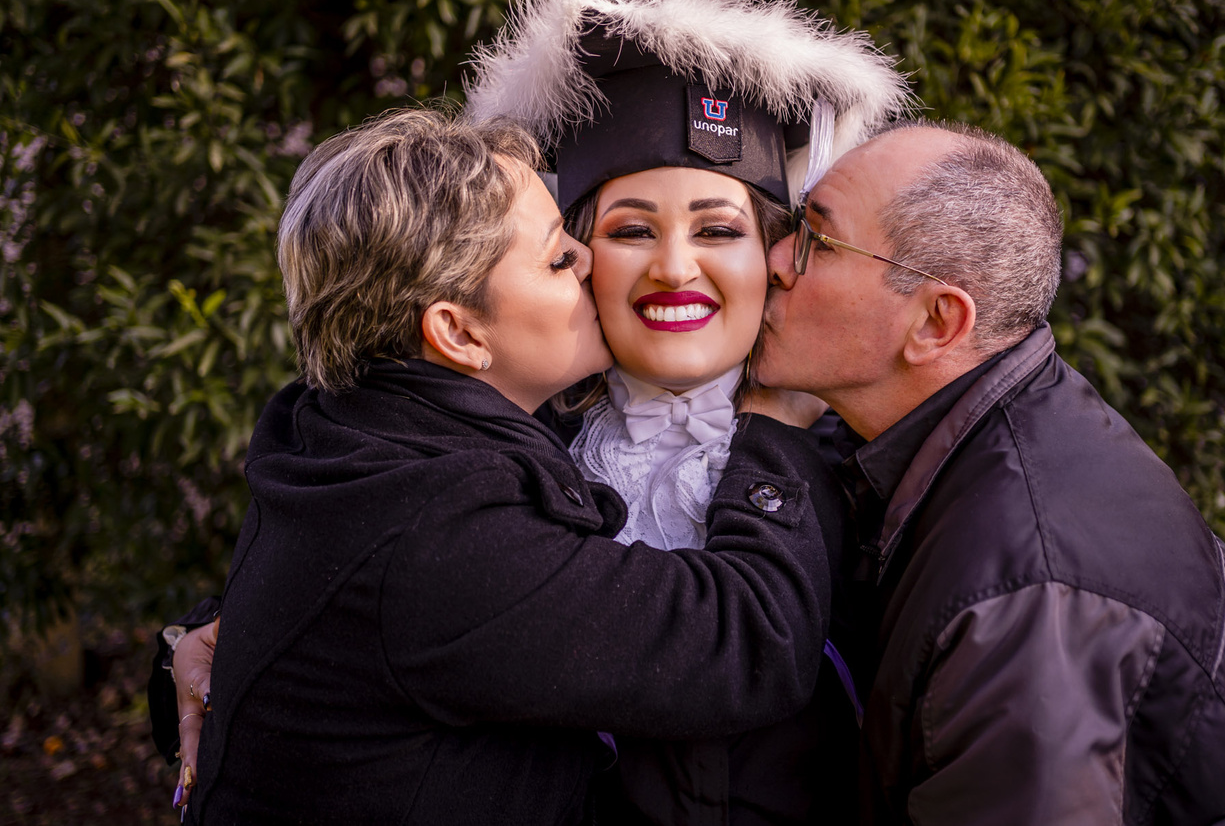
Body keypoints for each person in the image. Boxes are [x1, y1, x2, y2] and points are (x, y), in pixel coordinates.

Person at [159, 107, 840, 825]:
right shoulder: (443, 518)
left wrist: (210, 636)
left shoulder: (338, 425)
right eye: (558, 258)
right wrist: (774, 428)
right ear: (457, 332)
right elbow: (748, 641)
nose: (588, 260)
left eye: (719, 229)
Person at [461, 0, 909, 826]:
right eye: (632, 229)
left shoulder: (868, 471)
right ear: (577, 256)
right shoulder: (498, 457)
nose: (674, 267)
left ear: (773, 254)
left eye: (718, 229)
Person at [755, 121, 1225, 825]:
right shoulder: (956, 438)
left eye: (818, 241)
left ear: (937, 323)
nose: (773, 258)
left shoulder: (1031, 601)